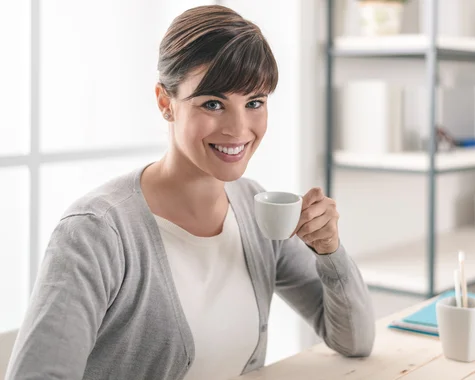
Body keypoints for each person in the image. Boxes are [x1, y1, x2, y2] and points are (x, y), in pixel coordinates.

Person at [6, 5, 375, 380]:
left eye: (255, 103)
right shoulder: (96, 232)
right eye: (213, 103)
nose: (238, 128)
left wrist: (329, 251)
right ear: (166, 102)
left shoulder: (254, 208)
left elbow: (354, 341)